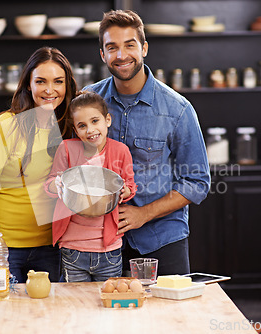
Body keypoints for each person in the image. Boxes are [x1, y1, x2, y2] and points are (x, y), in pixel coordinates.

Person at [84, 10, 211, 276]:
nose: (121, 55)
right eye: (112, 47)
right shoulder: (87, 101)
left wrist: (144, 213)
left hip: (162, 238)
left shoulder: (177, 109)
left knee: (169, 317)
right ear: (102, 55)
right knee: (103, 314)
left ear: (144, 48)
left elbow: (197, 181)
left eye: (130, 45)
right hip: (99, 241)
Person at [0, 46, 77, 283]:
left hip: (52, 248)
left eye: (58, 82)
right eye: (41, 81)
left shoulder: (69, 127)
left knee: (49, 318)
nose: (50, 90)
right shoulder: (7, 125)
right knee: (4, 316)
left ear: (66, 86)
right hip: (4, 247)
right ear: (28, 84)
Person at [44, 91, 137, 282]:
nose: (90, 130)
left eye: (95, 121)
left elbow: (129, 185)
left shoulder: (120, 151)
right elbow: (50, 184)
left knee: (108, 301)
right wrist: (57, 184)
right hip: (72, 247)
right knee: (76, 303)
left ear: (107, 120)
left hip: (109, 249)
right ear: (75, 130)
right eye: (82, 126)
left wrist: (123, 191)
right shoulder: (67, 149)